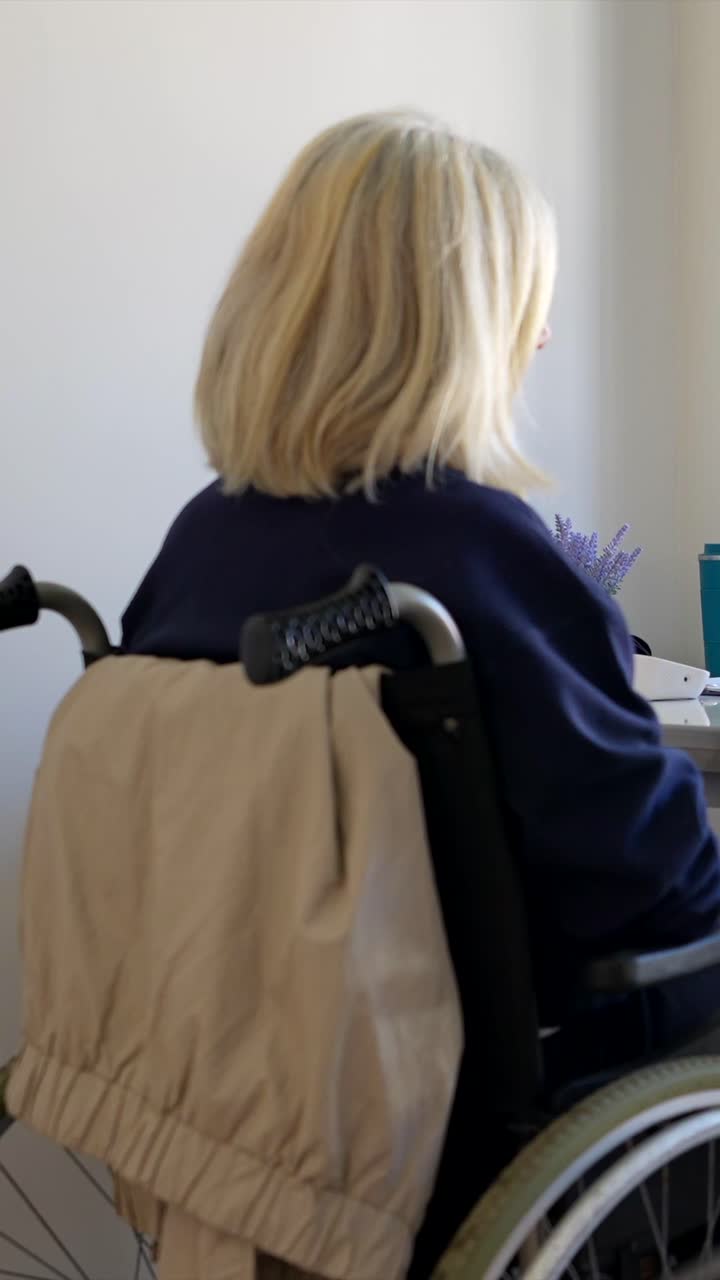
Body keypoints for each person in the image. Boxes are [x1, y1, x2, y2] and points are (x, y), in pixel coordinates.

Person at [122, 106, 720, 1200]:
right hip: (482, 1071)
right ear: (461, 319)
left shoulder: (201, 538)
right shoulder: (479, 548)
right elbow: (653, 886)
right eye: (526, 308)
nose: (539, 339)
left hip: (263, 1055)